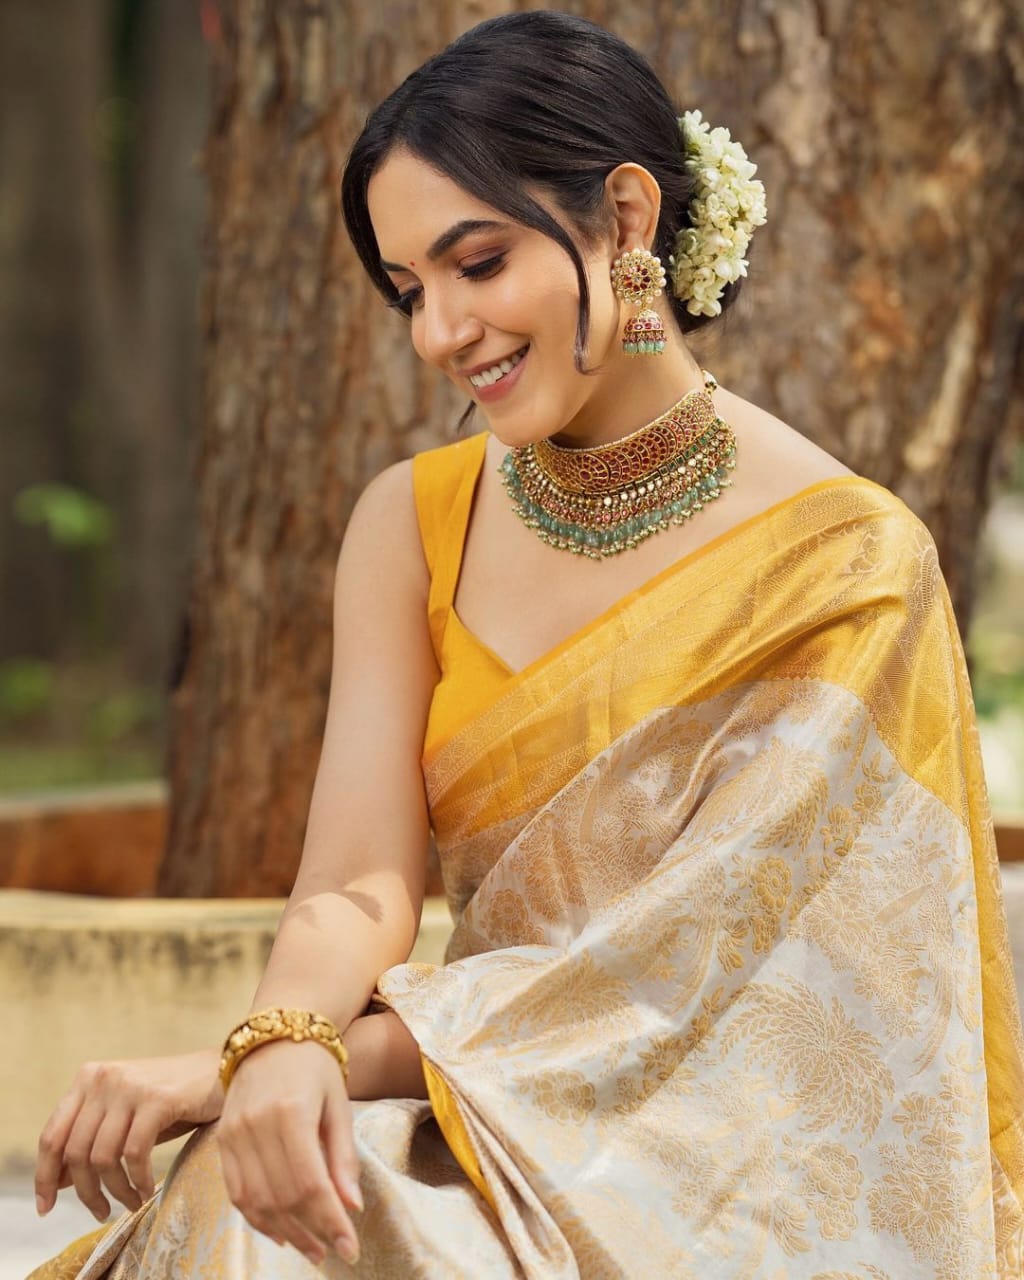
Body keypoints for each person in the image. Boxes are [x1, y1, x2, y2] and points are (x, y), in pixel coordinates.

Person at [31, 10, 1024, 1278]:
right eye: (408, 291)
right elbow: (351, 886)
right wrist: (280, 1038)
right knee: (250, 1192)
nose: (440, 330)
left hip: (728, 1171)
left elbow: (668, 990)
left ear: (623, 217)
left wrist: (287, 1056)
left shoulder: (844, 567)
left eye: (477, 263)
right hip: (489, 1101)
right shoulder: (414, 520)